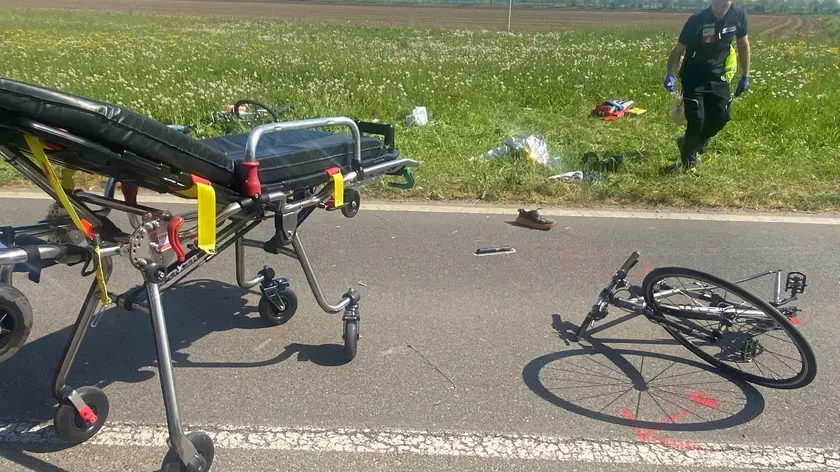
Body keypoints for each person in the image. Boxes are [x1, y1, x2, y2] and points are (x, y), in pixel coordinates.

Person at [663, 0, 751, 173]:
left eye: (723, 5)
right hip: (693, 75)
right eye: (716, 4)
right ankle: (689, 165)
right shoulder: (697, 20)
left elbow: (743, 44)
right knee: (696, 119)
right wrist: (670, 73)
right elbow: (678, 50)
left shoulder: (738, 16)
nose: (719, 9)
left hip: (717, 75)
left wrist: (745, 75)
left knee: (722, 116)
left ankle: (689, 144)